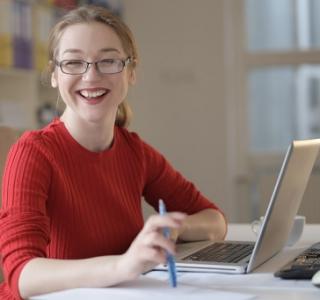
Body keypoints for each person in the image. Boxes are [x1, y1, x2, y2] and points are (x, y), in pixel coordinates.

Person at [0, 5, 227, 300]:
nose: (91, 76)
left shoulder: (136, 152)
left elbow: (215, 222)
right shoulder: (33, 153)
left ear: (131, 72)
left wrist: (171, 227)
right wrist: (124, 265)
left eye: (108, 61)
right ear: (55, 75)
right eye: (73, 62)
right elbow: (22, 275)